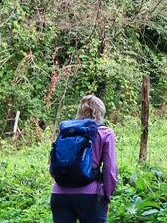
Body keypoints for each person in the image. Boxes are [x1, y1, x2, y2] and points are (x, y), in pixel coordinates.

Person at [50, 95, 119, 223]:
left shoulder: (66, 131)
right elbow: (110, 169)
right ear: (101, 112)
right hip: (91, 196)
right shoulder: (105, 132)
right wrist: (107, 196)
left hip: (59, 194)